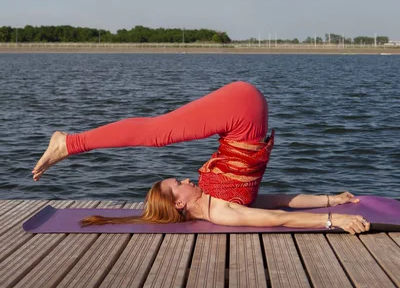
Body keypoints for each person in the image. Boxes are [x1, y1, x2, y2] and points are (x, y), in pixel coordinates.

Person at [32, 81, 370, 234]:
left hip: (242, 114)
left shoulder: (217, 204)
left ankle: (71, 143)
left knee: (157, 132)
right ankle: (69, 142)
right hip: (242, 112)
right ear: (179, 203)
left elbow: (273, 209)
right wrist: (331, 212)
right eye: (179, 184)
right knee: (156, 133)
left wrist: (330, 208)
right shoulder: (222, 211)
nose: (186, 179)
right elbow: (278, 211)